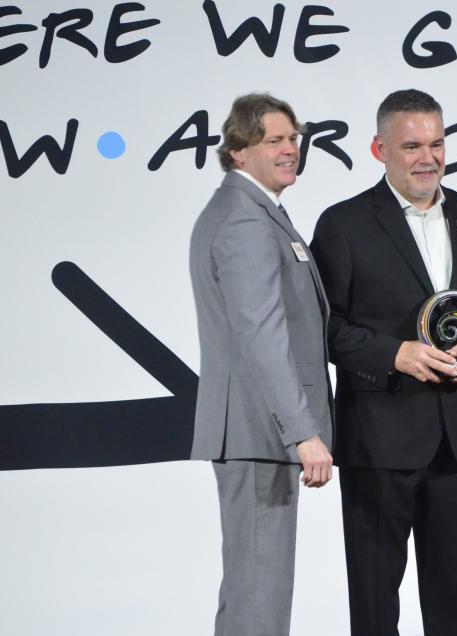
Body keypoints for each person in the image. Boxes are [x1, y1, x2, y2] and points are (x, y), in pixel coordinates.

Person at [310, 89, 457, 636]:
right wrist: (393, 353)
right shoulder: (343, 225)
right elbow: (321, 328)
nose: (429, 157)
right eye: (412, 146)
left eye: (437, 143)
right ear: (379, 150)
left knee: (455, 604)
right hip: (379, 440)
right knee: (376, 606)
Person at [189, 93, 334, 636]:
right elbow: (262, 336)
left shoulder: (253, 211)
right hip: (259, 433)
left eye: (293, 138)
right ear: (238, 152)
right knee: (259, 599)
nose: (290, 149)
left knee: (253, 593)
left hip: (257, 434)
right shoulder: (244, 221)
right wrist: (302, 431)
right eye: (275, 140)